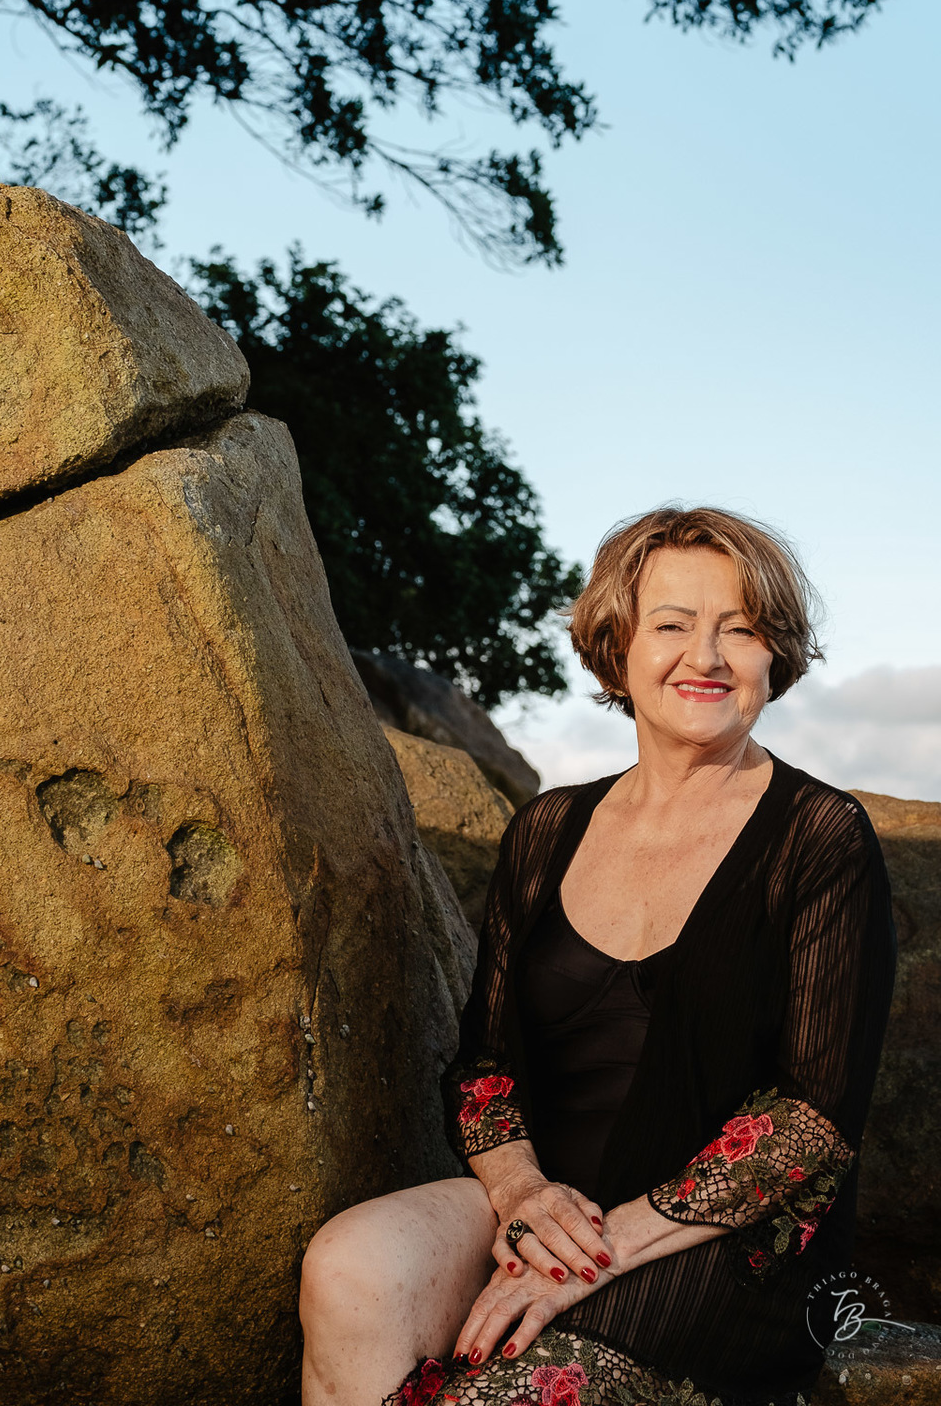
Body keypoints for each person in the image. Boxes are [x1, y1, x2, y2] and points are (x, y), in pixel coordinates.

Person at [300, 507, 896, 1406]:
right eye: (672, 626)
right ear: (617, 648)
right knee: (348, 1268)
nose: (707, 657)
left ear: (776, 657)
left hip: (721, 1242)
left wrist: (595, 1250)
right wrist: (520, 1193)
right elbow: (485, 1067)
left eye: (740, 629)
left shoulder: (821, 837)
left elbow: (812, 1116)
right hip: (553, 1206)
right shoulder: (547, 830)